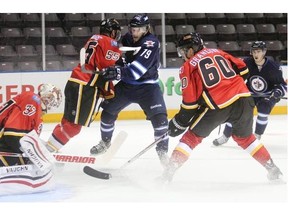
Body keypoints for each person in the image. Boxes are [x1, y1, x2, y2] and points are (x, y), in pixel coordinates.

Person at [162, 33, 282, 182]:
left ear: (191, 50)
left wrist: (178, 123)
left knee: (191, 138)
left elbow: (190, 104)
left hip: (218, 105)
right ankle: (273, 169)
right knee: (246, 139)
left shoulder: (187, 67)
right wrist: (230, 85)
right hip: (243, 99)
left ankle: (167, 175)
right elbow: (243, 70)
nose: (182, 55)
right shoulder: (218, 52)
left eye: (183, 51)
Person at [89, 14, 170, 167]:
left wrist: (117, 71)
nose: (134, 33)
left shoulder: (151, 43)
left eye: (138, 30)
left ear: (146, 29)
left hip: (148, 88)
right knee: (107, 112)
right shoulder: (127, 38)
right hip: (126, 86)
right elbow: (118, 56)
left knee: (161, 122)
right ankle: (105, 142)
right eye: (132, 29)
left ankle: (163, 155)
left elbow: (136, 71)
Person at [46, 18, 122, 152]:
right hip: (85, 85)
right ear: (112, 32)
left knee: (67, 123)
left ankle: (50, 148)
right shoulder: (111, 43)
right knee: (73, 127)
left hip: (74, 82)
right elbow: (108, 69)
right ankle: (48, 151)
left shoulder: (94, 38)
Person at [213, 41, 287, 146]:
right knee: (236, 112)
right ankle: (225, 136)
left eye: (258, 51)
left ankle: (256, 136)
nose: (256, 54)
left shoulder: (273, 67)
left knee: (264, 109)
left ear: (264, 52)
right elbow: (234, 76)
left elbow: (282, 85)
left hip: (267, 95)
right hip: (250, 93)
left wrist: (277, 93)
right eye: (254, 52)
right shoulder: (246, 63)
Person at [0, 84, 62, 195]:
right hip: (7, 139)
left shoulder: (35, 107)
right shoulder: (33, 98)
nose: (51, 101)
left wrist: (42, 150)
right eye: (50, 97)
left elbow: (23, 138)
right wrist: (36, 154)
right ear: (44, 93)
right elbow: (13, 136)